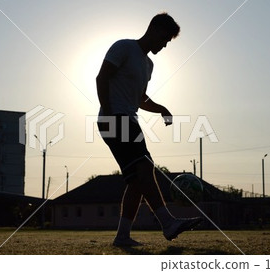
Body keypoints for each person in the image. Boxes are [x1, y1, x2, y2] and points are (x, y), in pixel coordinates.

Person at [96, 13, 202, 247]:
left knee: (137, 181)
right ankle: (167, 223)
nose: (164, 45)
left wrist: (161, 108)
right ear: (154, 29)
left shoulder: (148, 65)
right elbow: (101, 77)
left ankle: (122, 236)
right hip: (116, 119)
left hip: (129, 119)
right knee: (145, 166)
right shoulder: (123, 47)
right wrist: (109, 113)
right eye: (165, 39)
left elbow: (140, 98)